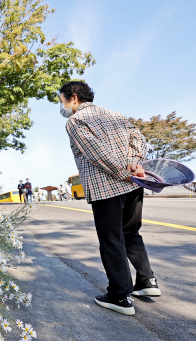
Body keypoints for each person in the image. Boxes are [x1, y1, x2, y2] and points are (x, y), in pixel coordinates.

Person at [60, 80, 159, 316]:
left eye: (61, 100)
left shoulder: (75, 121)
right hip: (134, 184)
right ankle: (147, 282)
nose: (61, 105)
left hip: (107, 187)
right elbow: (139, 138)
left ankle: (120, 296)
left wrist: (123, 171)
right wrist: (135, 164)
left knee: (111, 239)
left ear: (74, 97)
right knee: (131, 233)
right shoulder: (114, 114)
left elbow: (95, 152)